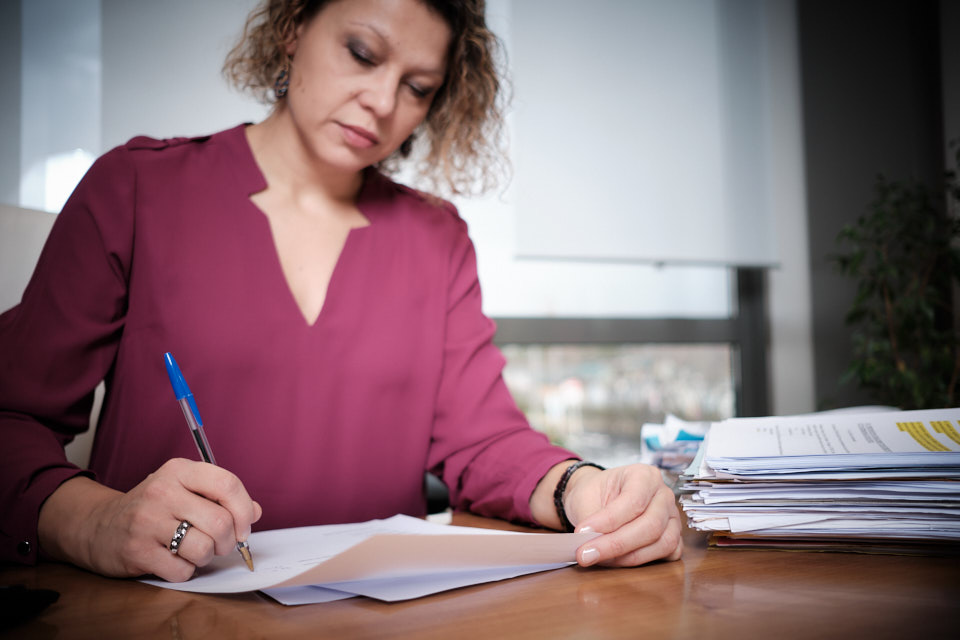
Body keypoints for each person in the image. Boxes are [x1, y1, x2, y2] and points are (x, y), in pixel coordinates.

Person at [0, 0, 682, 583]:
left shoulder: (437, 238)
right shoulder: (136, 190)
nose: (384, 104)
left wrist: (587, 489)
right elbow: (13, 417)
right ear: (294, 26)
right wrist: (91, 522)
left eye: (418, 87)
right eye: (362, 53)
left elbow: (484, 440)